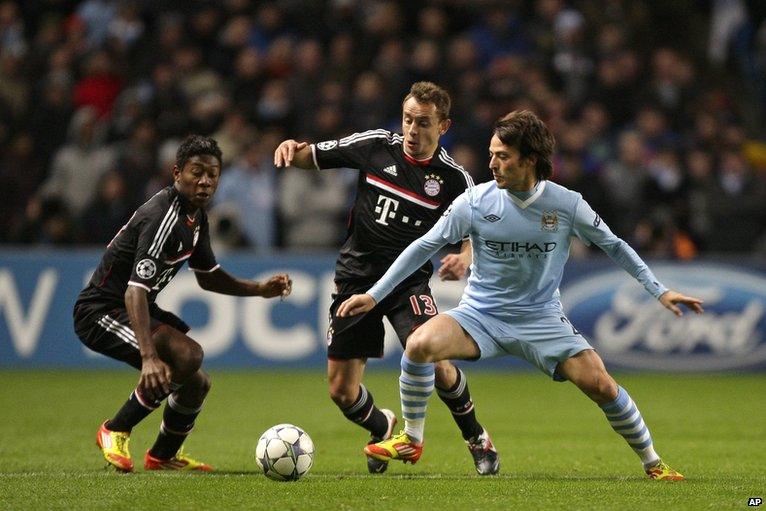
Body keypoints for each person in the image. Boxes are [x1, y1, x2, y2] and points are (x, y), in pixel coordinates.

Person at [338, 111, 703, 480]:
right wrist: (374, 295)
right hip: (479, 316)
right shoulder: (476, 201)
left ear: (529, 160)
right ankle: (411, 439)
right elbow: (423, 245)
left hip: (541, 319)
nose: (492, 163)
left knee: (602, 385)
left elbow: (615, 246)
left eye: (502, 156)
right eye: (492, 153)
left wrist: (660, 291)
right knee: (419, 345)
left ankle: (653, 462)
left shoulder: (566, 204)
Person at [274, 82, 499, 475]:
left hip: (407, 285)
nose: (413, 130)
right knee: (341, 392)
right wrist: (292, 148)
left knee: (431, 355)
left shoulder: (453, 179)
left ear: (443, 126)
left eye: (424, 123)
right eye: (408, 120)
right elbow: (314, 156)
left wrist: (465, 257)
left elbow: (476, 235)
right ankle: (382, 427)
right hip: (354, 280)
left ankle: (477, 438)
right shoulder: (377, 146)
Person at [73, 135, 292, 473]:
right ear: (177, 173)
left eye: (212, 175)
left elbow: (209, 276)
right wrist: (148, 357)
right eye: (196, 173)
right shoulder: (163, 217)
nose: (205, 181)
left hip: (133, 305)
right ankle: (115, 428)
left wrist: (259, 289)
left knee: (196, 382)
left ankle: (161, 456)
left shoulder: (196, 216)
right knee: (187, 355)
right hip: (101, 311)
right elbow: (134, 291)